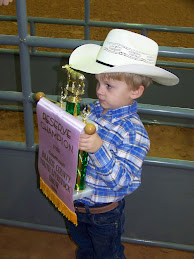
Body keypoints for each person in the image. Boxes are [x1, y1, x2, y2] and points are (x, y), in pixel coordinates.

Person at [66, 29, 179, 259]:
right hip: (76, 205)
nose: (98, 91)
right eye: (98, 82)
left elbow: (124, 182)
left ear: (136, 91)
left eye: (109, 86)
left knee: (108, 254)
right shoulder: (91, 112)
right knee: (85, 249)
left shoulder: (134, 133)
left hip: (104, 214)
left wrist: (98, 148)